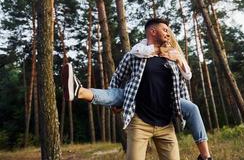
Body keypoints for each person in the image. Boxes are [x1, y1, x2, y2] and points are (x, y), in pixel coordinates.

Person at [62, 18, 212, 160]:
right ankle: (78, 90)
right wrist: (115, 103)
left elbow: (186, 78)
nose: (168, 33)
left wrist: (178, 59)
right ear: (153, 31)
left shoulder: (171, 58)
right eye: (165, 30)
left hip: (165, 124)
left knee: (193, 109)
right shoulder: (135, 55)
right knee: (116, 94)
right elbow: (117, 78)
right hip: (140, 122)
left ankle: (205, 156)